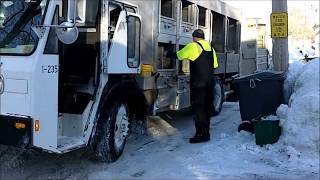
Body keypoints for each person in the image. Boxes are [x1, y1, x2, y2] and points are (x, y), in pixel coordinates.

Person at [176, 29, 218, 143]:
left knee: (198, 109)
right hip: (209, 83)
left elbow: (179, 55)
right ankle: (206, 132)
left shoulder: (193, 46)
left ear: (194, 37)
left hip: (199, 84)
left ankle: (201, 135)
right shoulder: (210, 48)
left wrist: (168, 53)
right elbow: (215, 65)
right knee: (207, 108)